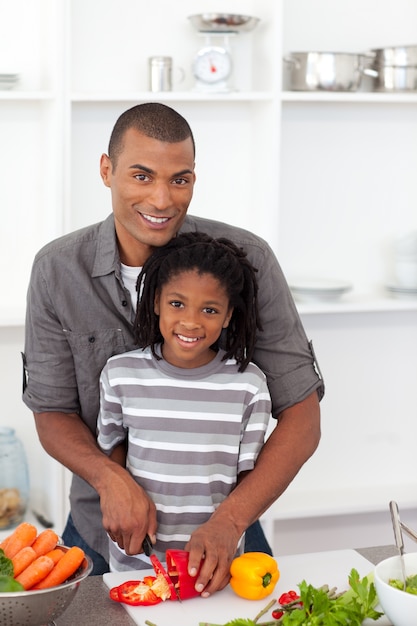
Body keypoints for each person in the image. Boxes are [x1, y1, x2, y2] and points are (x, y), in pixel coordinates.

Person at [22, 102, 323, 595]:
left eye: (179, 180)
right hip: (99, 536)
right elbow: (52, 412)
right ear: (106, 170)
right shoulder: (58, 270)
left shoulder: (248, 260)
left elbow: (303, 417)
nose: (161, 199)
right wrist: (109, 478)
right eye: (141, 176)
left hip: (225, 541)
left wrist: (230, 522)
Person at [97, 231, 272, 572]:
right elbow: (112, 454)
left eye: (209, 309)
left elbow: (248, 481)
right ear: (156, 302)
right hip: (137, 562)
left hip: (212, 566)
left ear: (227, 316)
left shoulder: (249, 387)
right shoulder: (120, 375)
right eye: (177, 304)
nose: (191, 321)